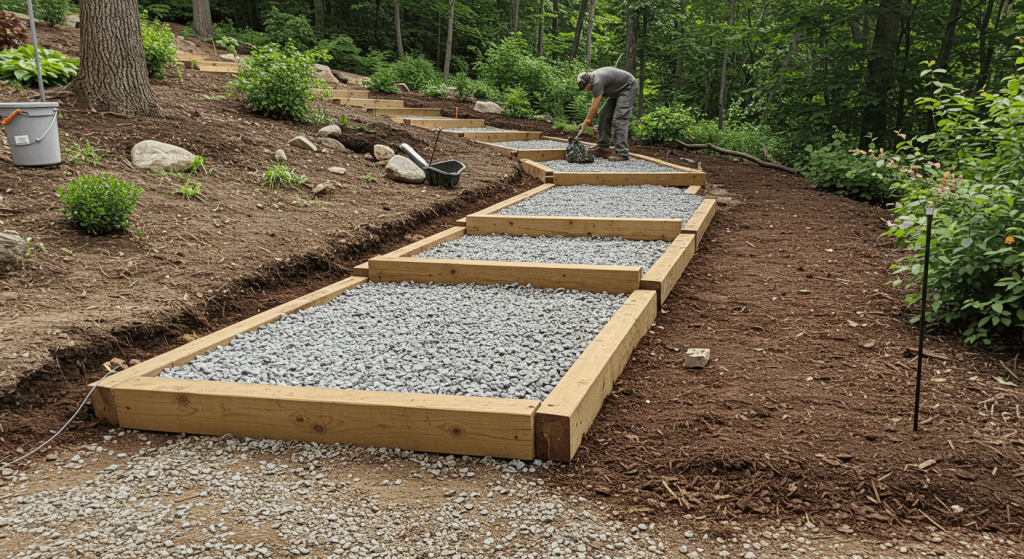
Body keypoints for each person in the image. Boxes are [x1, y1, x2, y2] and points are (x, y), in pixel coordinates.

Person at [576, 68, 639, 161]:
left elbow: (594, 106)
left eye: (586, 86)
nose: (586, 89)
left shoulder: (596, 82)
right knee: (604, 114)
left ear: (590, 80)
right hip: (617, 91)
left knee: (619, 119)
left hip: (628, 87)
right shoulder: (592, 78)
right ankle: (603, 146)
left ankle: (622, 153)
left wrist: (586, 123)